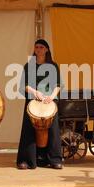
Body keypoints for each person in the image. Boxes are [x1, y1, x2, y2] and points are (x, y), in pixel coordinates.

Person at [16, 39, 63, 170]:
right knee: (28, 129)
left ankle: (55, 159)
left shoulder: (53, 66)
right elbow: (23, 85)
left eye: (41, 47)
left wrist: (51, 98)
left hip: (49, 101)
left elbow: (58, 85)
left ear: (47, 49)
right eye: (36, 47)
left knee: (53, 130)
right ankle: (25, 160)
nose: (38, 49)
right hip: (32, 101)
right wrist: (35, 92)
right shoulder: (28, 66)